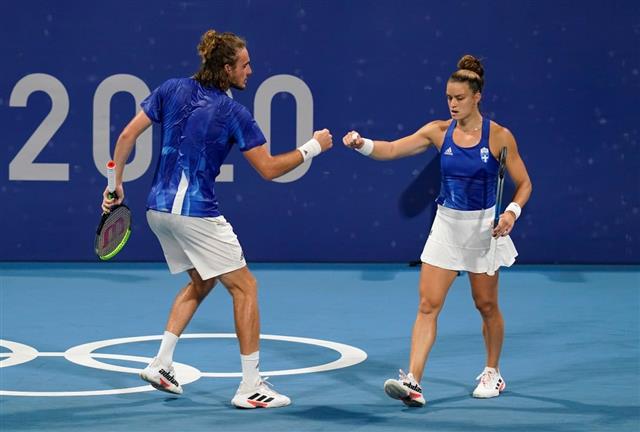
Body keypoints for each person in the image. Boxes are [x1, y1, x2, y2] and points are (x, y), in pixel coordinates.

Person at [101, 29, 332, 409]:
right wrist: (312, 147)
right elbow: (270, 170)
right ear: (226, 69)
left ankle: (161, 363)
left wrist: (115, 185)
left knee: (203, 279)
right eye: (244, 65)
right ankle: (250, 386)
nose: (251, 71)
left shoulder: (171, 88)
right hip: (195, 214)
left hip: (157, 209)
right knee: (245, 288)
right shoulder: (233, 113)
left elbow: (127, 135)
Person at [343, 54, 532, 407]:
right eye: (448, 97)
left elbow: (524, 185)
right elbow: (393, 149)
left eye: (459, 98)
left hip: (482, 229)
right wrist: (362, 145)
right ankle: (414, 381)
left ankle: (493, 371)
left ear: (477, 96)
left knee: (486, 305)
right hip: (446, 226)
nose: (453, 104)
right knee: (428, 305)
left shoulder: (500, 137)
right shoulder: (438, 131)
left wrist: (511, 213)